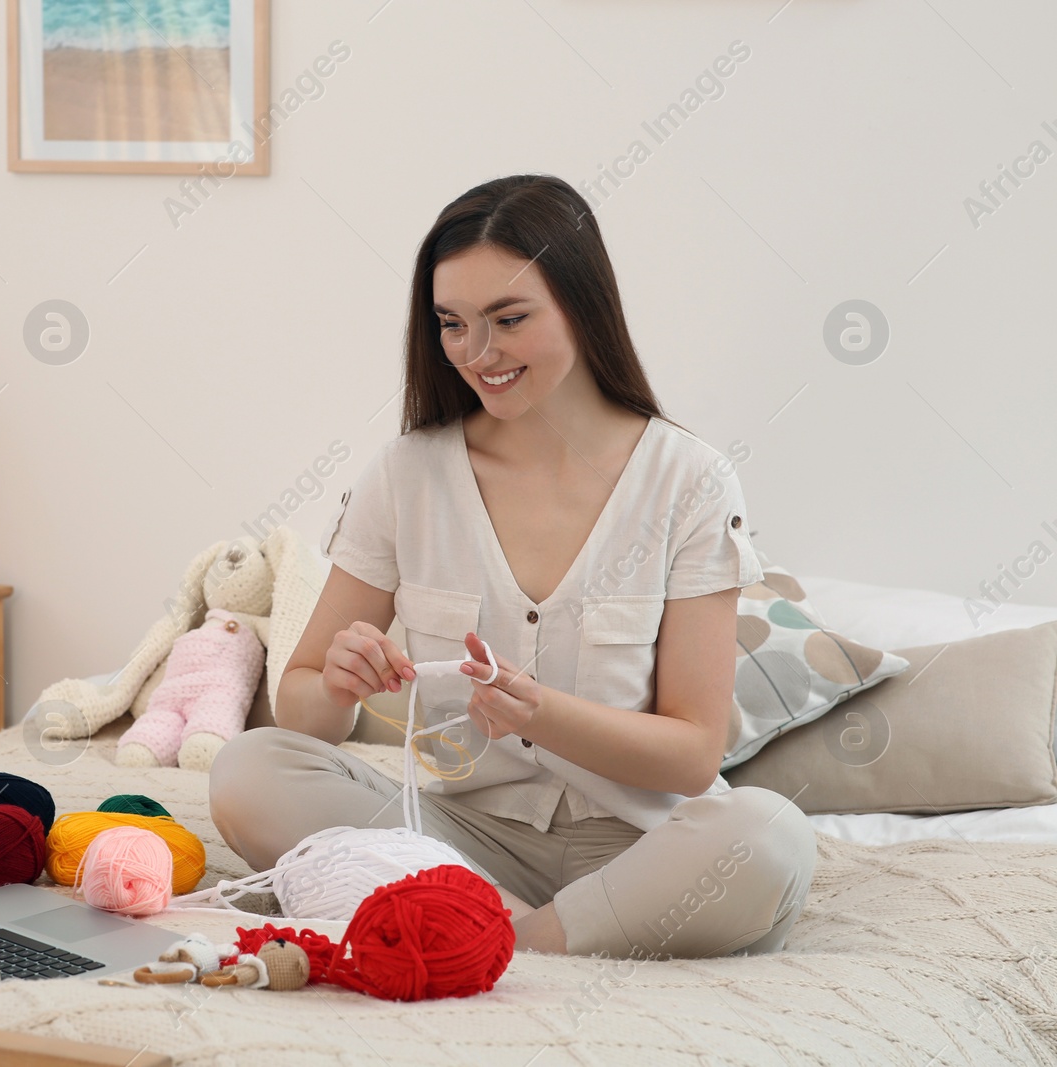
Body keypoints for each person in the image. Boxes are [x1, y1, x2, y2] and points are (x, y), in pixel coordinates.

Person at [209, 174, 817, 960]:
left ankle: (499, 939)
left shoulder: (690, 481)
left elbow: (694, 753)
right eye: (453, 324)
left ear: (583, 305)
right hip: (462, 838)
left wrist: (541, 715)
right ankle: (522, 929)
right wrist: (335, 686)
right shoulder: (407, 475)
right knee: (249, 767)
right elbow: (300, 711)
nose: (476, 353)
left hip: (639, 849)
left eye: (509, 319)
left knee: (768, 835)